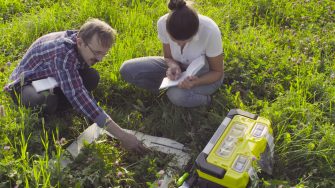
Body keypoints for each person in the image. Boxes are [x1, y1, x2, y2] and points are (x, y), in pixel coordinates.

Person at [4, 18, 145, 152]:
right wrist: (122, 135)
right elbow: (79, 95)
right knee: (47, 101)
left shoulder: (81, 41)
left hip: (50, 79)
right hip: (26, 85)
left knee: (92, 77)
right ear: (80, 42)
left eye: (104, 54)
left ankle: (63, 101)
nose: (100, 59)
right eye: (97, 52)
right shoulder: (62, 53)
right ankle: (52, 109)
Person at [120, 0, 224, 107]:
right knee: (128, 69)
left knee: (176, 95)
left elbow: (217, 72)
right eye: (174, 40)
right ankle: (171, 89)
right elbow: (168, 57)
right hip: (180, 71)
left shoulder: (210, 30)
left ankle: (205, 100)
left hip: (205, 75)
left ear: (196, 31)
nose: (179, 44)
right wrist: (173, 66)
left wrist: (195, 82)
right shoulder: (162, 23)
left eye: (187, 41)